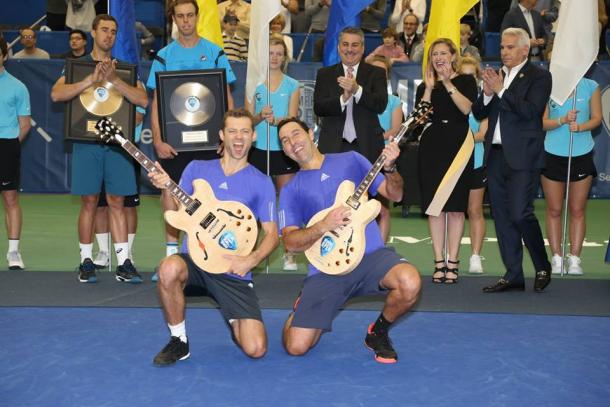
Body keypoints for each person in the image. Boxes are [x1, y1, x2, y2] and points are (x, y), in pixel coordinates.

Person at [277, 117, 421, 364]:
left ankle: (378, 332)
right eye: (285, 141)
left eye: (296, 134)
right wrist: (323, 225)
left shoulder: (351, 160)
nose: (292, 143)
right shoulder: (291, 190)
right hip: (326, 270)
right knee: (296, 347)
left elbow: (395, 193)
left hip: (370, 257)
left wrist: (391, 167)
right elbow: (290, 242)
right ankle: (299, 311)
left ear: (311, 133)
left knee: (409, 282)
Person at [149, 108, 279, 366]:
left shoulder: (262, 182)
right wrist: (166, 188)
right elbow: (173, 214)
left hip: (233, 270)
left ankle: (234, 318)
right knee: (168, 269)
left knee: (256, 348)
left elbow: (273, 234)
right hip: (196, 259)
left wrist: (251, 260)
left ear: (253, 136)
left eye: (244, 131)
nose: (238, 138)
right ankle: (179, 341)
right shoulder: (197, 168)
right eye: (232, 131)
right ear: (222, 135)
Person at [50, 14, 149, 284]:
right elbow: (56, 94)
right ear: (93, 32)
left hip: (118, 143)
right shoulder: (77, 65)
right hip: (86, 141)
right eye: (104, 30)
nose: (109, 35)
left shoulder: (125, 68)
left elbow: (142, 99)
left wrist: (115, 80)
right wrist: (90, 80)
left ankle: (124, 263)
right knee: (90, 201)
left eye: (114, 31)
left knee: (117, 201)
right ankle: (86, 260)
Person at [148, 0, 236, 281]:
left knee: (212, 196)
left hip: (211, 142)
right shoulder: (163, 56)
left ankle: (213, 253)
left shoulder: (215, 53)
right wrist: (159, 140)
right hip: (174, 143)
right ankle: (172, 254)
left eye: (190, 16)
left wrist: (229, 136)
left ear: (197, 17)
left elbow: (226, 98)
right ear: (174, 19)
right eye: (180, 16)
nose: (185, 21)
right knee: (170, 193)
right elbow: (156, 104)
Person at [472, 27, 552, 293]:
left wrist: (501, 90)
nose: (503, 52)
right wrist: (486, 92)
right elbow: (479, 111)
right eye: (502, 47)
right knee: (503, 217)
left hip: (523, 157)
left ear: (524, 50)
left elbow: (531, 112)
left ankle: (542, 266)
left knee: (520, 214)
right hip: (494, 156)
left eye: (509, 47)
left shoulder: (540, 76)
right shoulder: (497, 76)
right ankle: (513, 274)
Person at [416, 38, 477, 284]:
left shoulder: (465, 80)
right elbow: (420, 117)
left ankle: (454, 262)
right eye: (434, 55)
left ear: (453, 56)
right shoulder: (426, 85)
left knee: (455, 207)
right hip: (432, 144)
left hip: (459, 144)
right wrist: (430, 88)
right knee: (435, 206)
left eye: (443, 53)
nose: (438, 58)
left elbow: (465, 109)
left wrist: (447, 82)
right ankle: (439, 262)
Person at [244, 36, 299, 271]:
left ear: (284, 58)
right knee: (256, 202)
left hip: (283, 150)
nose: (274, 57)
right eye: (271, 53)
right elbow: (247, 120)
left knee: (286, 201)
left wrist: (279, 121)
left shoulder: (292, 85)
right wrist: (260, 116)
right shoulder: (254, 85)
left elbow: (293, 118)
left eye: (279, 53)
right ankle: (252, 249)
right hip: (258, 150)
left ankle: (290, 253)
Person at [541, 77, 601, 275]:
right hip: (552, 154)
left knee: (577, 210)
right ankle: (556, 257)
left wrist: (580, 127)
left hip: (581, 153)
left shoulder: (591, 87)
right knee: (555, 209)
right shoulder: (549, 86)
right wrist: (562, 120)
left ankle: (574, 259)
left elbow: (597, 118)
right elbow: (543, 123)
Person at [314, 26, 388, 165]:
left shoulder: (376, 73)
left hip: (367, 145)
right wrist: (343, 99)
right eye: (345, 44)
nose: (349, 49)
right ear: (338, 47)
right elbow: (319, 108)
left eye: (355, 45)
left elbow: (380, 105)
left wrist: (357, 90)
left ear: (362, 48)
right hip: (333, 145)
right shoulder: (325, 74)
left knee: (368, 187)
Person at [0, 36, 31, 270]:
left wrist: (10, 144)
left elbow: (25, 125)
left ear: (4, 56)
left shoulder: (18, 86)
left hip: (7, 145)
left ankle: (13, 252)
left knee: (10, 199)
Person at [368, 55, 404, 243]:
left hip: (383, 159)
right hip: (361, 157)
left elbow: (395, 130)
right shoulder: (361, 99)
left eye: (382, 72)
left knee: (382, 209)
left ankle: (379, 252)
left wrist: (373, 137)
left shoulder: (393, 102)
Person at [459, 56, 488, 274]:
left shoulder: (484, 101)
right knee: (453, 211)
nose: (468, 80)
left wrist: (459, 136)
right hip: (451, 162)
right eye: (463, 75)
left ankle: (475, 256)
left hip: (476, 161)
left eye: (472, 75)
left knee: (474, 210)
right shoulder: (452, 99)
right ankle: (451, 256)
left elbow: (482, 134)